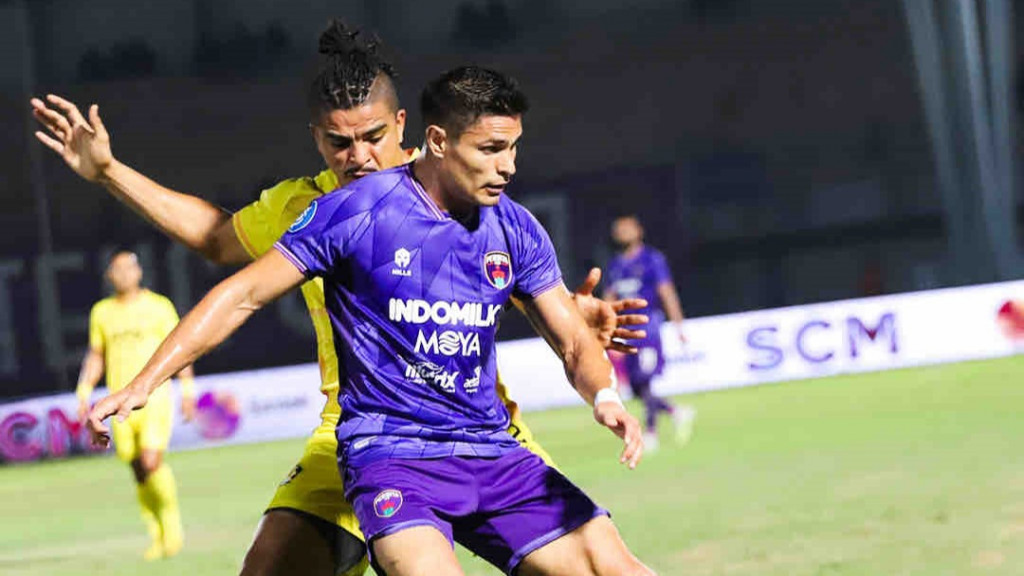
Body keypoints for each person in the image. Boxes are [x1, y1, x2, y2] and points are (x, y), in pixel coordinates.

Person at [33, 22, 647, 576]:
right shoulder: (315, 208)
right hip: (360, 434)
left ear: (408, 128)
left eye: (373, 137)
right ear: (316, 139)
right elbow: (221, 248)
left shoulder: (467, 188)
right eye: (338, 143)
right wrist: (111, 172)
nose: (358, 157)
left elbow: (495, 291)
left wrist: (573, 322)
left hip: (480, 431)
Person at [75, 250, 196, 560]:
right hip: (119, 401)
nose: (125, 274)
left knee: (151, 461)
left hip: (154, 397)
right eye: (118, 269)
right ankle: (156, 533)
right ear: (109, 276)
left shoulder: (159, 306)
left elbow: (180, 348)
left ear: (139, 272)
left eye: (130, 268)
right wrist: (84, 391)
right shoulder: (102, 312)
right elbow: (96, 354)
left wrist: (188, 389)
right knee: (138, 469)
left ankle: (173, 529)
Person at [605, 214, 696, 452]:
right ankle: (676, 412)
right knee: (635, 386)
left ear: (638, 231)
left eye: (627, 228)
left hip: (648, 330)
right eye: (619, 229)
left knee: (645, 382)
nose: (623, 233)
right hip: (626, 333)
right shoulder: (615, 265)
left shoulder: (652, 260)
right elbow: (610, 298)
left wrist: (679, 325)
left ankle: (651, 432)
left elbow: (666, 292)